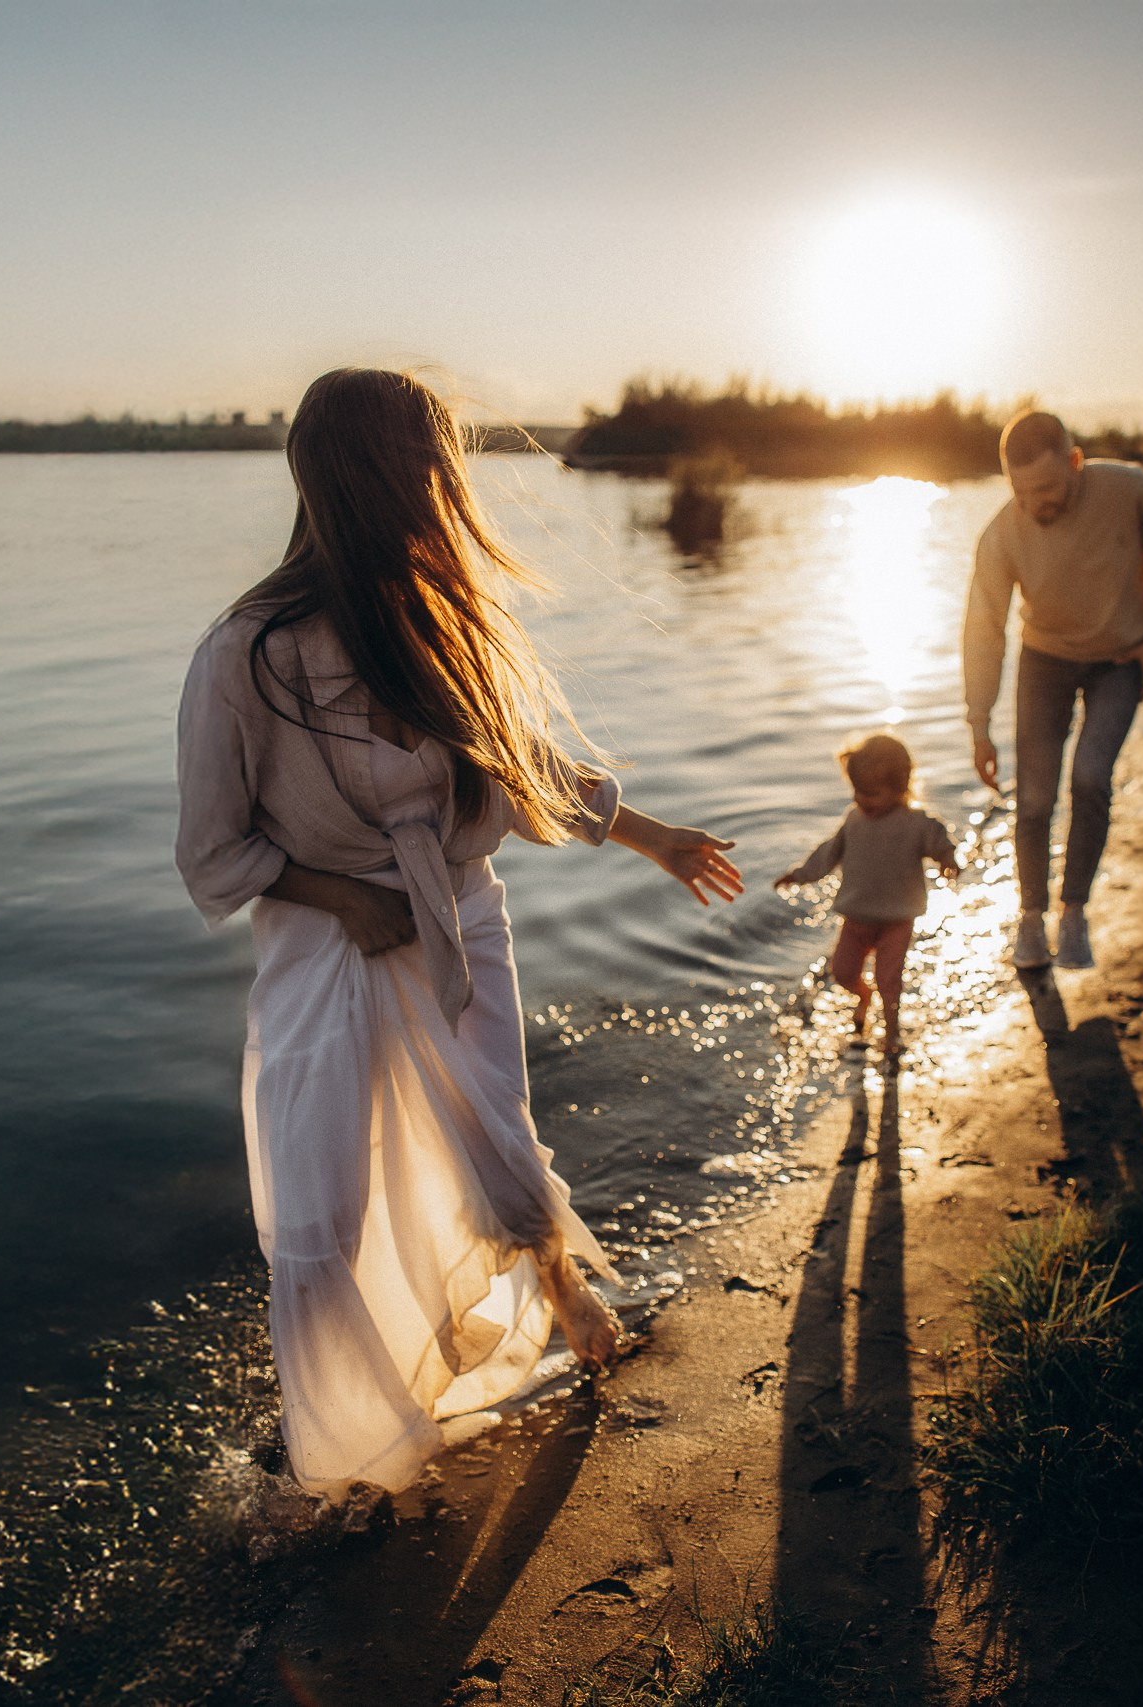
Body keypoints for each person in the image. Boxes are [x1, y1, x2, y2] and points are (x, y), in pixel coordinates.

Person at [174, 369, 743, 1499]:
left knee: (494, 1138)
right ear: (377, 476)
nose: (449, 484)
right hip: (321, 955)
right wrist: (341, 894)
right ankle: (339, 1449)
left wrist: (655, 837)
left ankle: (566, 1302)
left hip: (461, 928)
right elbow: (211, 850)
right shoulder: (244, 653)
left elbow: (521, 770)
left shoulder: (435, 621)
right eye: (433, 461)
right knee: (325, 1196)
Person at [965, 409, 1143, 970]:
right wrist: (979, 724)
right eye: (1022, 491)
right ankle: (1030, 919)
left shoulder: (1130, 491)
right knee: (1033, 799)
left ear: (1076, 462)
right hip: (1045, 658)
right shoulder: (1003, 531)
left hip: (1118, 661)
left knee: (1092, 777)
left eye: (1048, 487)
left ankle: (1073, 912)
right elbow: (982, 629)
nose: (1036, 504)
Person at [773, 732, 961, 1058]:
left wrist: (947, 858)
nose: (861, 799)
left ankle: (891, 1034)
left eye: (871, 793)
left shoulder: (915, 822)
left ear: (901, 788)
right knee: (842, 972)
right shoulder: (854, 819)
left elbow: (939, 840)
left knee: (889, 979)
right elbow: (828, 853)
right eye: (857, 790)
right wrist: (800, 875)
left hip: (897, 920)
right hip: (856, 916)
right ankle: (863, 996)